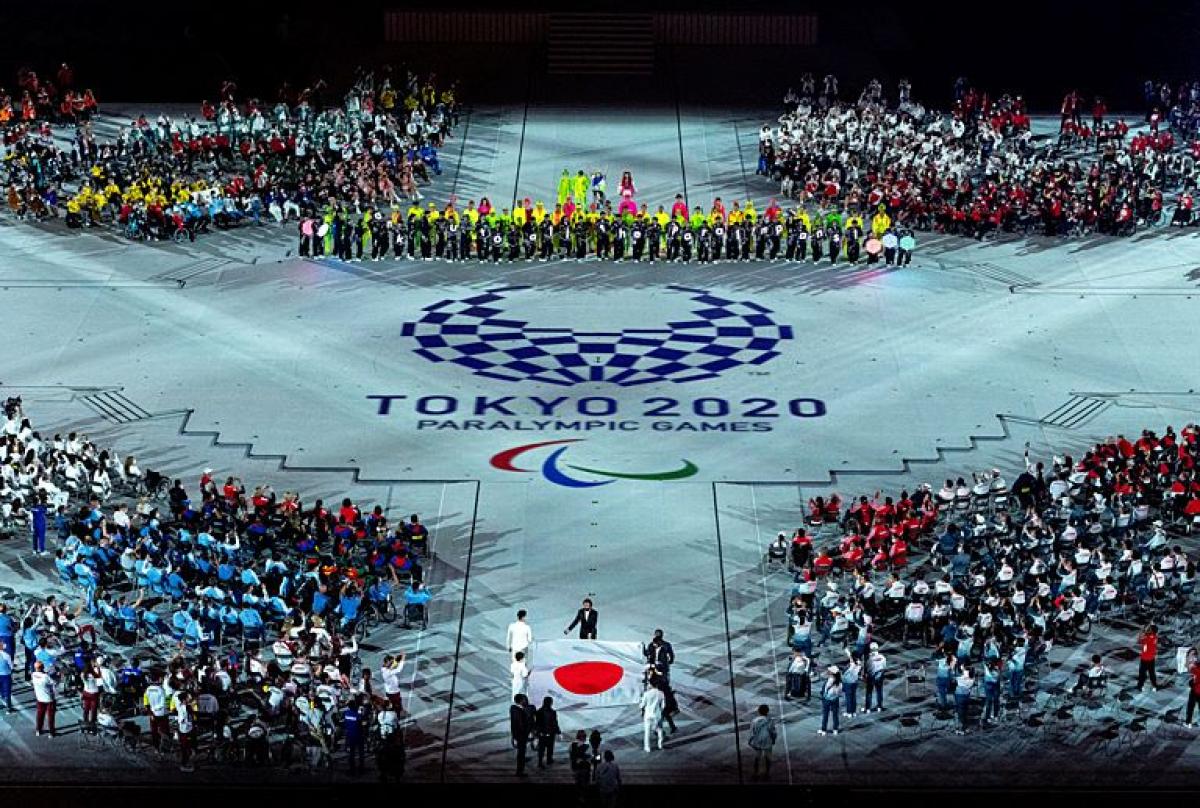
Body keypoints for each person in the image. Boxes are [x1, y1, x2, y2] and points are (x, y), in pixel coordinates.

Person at [748, 703, 777, 778]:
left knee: (757, 757)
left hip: (757, 740)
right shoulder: (770, 721)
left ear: (759, 711)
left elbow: (752, 732)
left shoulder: (754, 721)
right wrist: (773, 740)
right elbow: (773, 732)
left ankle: (756, 773)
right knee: (768, 757)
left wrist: (750, 741)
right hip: (767, 740)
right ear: (767, 711)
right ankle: (767, 773)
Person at [639, 678, 665, 752]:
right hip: (657, 714)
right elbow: (663, 706)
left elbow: (641, 705)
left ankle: (647, 748)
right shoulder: (661, 693)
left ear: (650, 684)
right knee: (659, 729)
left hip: (648, 715)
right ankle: (660, 744)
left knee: (647, 732)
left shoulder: (646, 694)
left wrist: (640, 701)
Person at [31, 660, 56, 736]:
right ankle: (51, 732)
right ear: (42, 668)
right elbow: (54, 683)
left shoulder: (33, 675)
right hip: (49, 699)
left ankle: (38, 730)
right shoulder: (46, 677)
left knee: (40, 715)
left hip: (39, 698)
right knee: (50, 716)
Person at [509, 694, 532, 776]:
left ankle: (522, 762)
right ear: (521, 701)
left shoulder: (513, 708)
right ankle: (519, 771)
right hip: (521, 735)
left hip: (517, 734)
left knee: (521, 751)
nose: (526, 701)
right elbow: (522, 724)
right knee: (521, 752)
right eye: (525, 699)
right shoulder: (519, 712)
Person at [343, 696, 367, 774]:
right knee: (361, 753)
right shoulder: (357, 715)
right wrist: (363, 714)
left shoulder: (346, 713)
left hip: (350, 736)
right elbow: (364, 723)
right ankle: (361, 768)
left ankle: (352, 768)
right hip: (358, 736)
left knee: (351, 753)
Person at [535, 695, 560, 767]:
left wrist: (537, 732)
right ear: (551, 703)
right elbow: (555, 723)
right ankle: (549, 760)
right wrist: (558, 732)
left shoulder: (539, 711)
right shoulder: (552, 712)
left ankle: (540, 762)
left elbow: (537, 723)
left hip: (542, 733)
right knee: (550, 747)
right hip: (551, 733)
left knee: (541, 748)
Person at [819, 666, 842, 736]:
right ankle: (835, 729)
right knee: (835, 715)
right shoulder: (840, 682)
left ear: (832, 673)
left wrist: (824, 696)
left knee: (825, 715)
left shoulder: (830, 680)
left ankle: (823, 730)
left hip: (827, 700)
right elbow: (839, 693)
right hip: (835, 699)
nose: (828, 671)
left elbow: (825, 691)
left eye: (830, 671)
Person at [568, 729, 591, 796]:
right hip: (584, 767)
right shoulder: (587, 746)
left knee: (578, 783)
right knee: (585, 783)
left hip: (575, 767)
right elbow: (590, 757)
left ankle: (580, 796)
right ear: (584, 737)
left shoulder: (572, 745)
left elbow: (571, 756)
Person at [1137, 624, 1159, 691]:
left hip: (1145, 659)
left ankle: (1140, 686)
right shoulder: (1155, 637)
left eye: (1150, 629)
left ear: (1151, 631)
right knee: (1152, 673)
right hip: (1151, 658)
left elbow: (1139, 640)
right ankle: (1154, 686)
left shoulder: (1147, 638)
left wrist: (1142, 630)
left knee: (1142, 673)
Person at [0, 639, 13, 712]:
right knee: (8, 692)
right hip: (6, 675)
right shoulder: (6, 655)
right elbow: (11, 666)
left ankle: (3, 700)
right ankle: (8, 708)